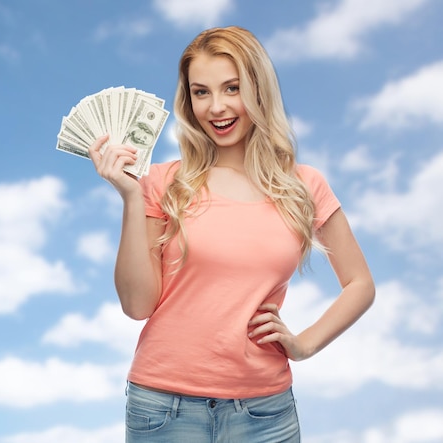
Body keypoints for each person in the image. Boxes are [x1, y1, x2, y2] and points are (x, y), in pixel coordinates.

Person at [88, 26, 375, 443]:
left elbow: (360, 284)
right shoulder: (163, 182)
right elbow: (137, 305)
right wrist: (131, 199)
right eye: (201, 92)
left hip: (264, 413)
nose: (216, 107)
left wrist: (304, 344)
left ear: (258, 90)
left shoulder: (304, 185)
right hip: (164, 409)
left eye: (232, 88)